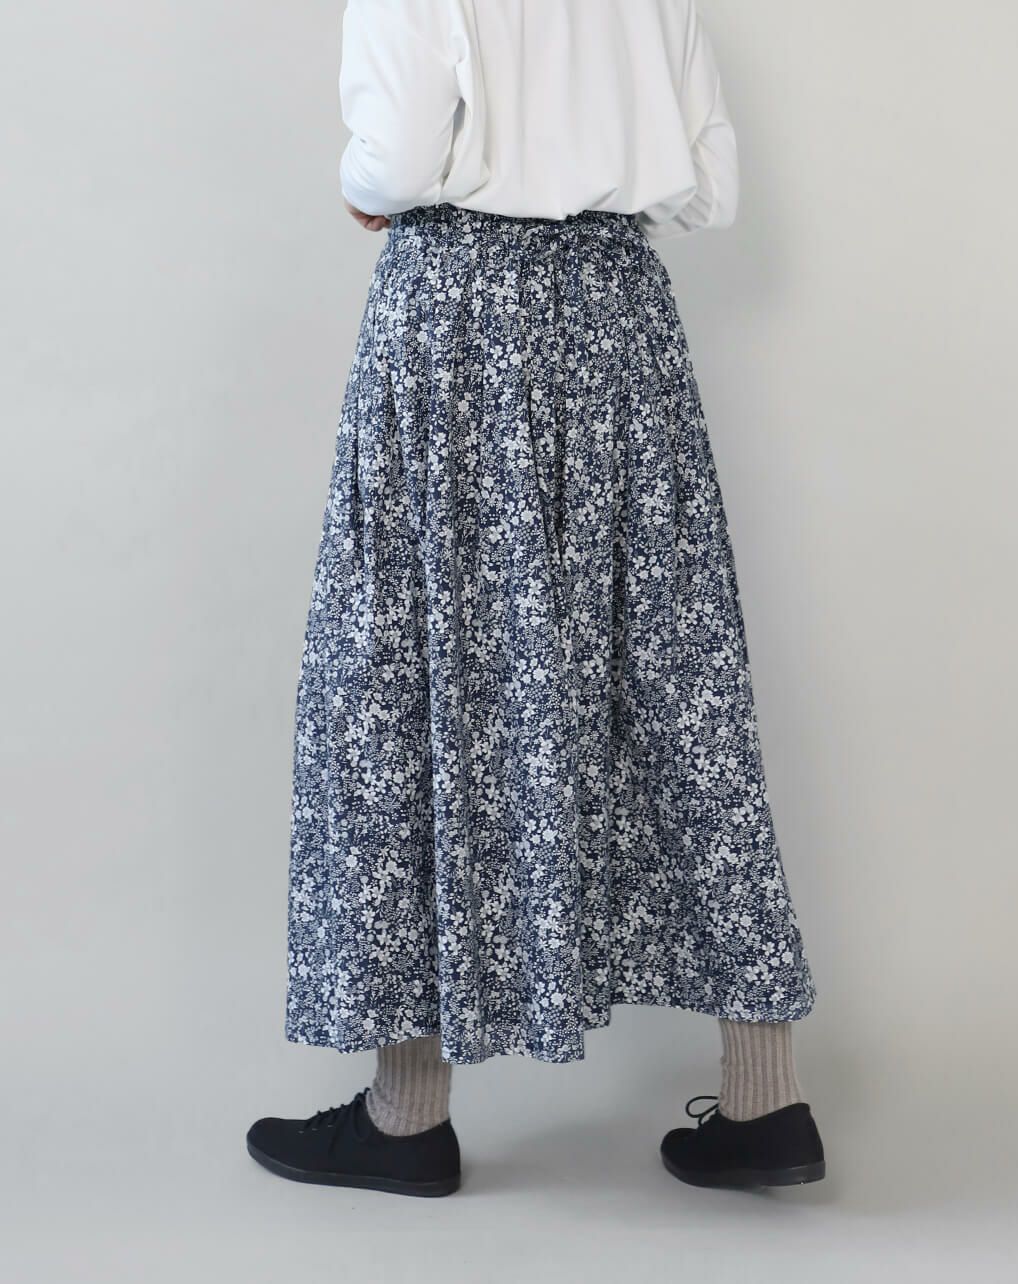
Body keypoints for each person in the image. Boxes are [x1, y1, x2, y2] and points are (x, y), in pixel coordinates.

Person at [246, 0, 825, 1198]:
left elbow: (396, 161)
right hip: (622, 327)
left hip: (456, 327)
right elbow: (709, 187)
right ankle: (764, 1101)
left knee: (409, 681)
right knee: (673, 687)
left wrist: (368, 186)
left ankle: (406, 1116)